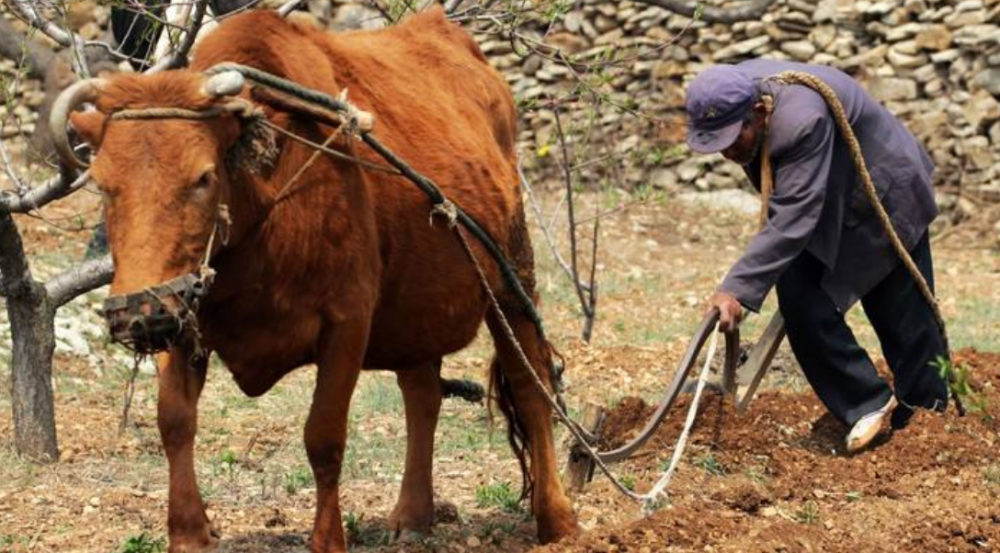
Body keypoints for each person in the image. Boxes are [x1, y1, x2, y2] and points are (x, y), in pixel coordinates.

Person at [685, 60, 949, 453]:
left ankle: (929, 420)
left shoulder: (800, 122)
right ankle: (867, 401)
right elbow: (793, 208)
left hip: (883, 193)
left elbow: (792, 219)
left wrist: (736, 288)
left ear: (758, 112)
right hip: (827, 201)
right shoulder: (730, 93)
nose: (725, 152)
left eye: (730, 139)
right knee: (800, 299)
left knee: (902, 314)